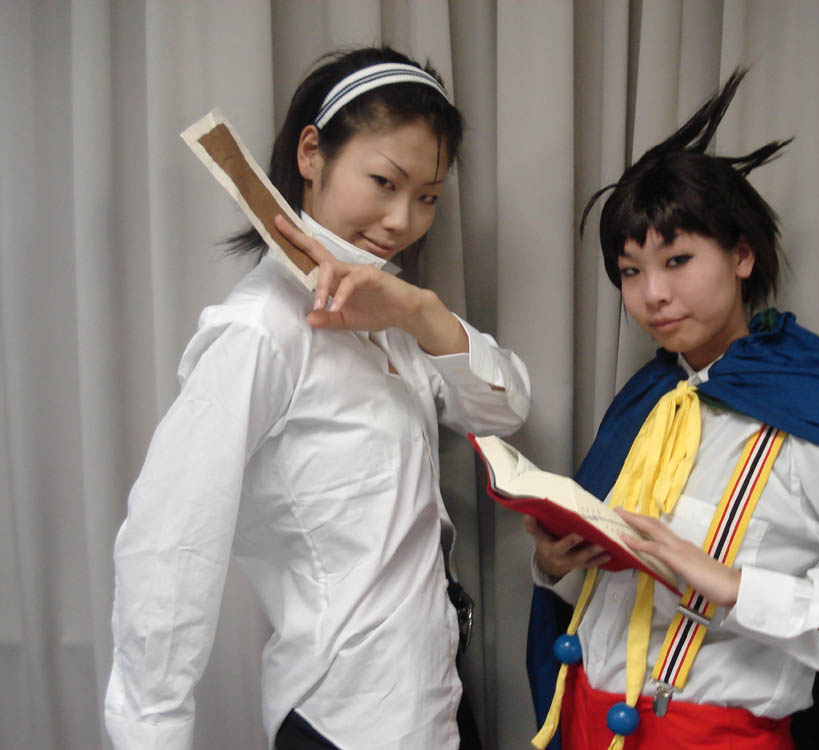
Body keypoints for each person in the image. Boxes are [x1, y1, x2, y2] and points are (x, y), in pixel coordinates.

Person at [524, 69, 819, 750]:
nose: (652, 294)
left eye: (678, 259)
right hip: (587, 726)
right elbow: (605, 602)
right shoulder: (644, 403)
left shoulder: (811, 414)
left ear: (741, 255)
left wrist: (736, 588)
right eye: (631, 271)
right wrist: (557, 565)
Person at [104, 46, 530, 750]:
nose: (401, 221)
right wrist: (150, 731)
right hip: (347, 719)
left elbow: (501, 408)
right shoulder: (259, 331)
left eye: (427, 197)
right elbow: (170, 542)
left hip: (438, 697)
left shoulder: (386, 311)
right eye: (384, 182)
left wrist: (418, 311)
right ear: (311, 154)